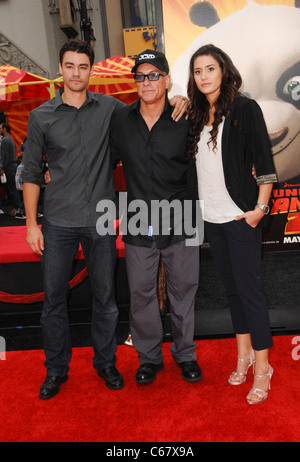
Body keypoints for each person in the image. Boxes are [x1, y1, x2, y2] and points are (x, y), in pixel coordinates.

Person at [22, 39, 189, 400]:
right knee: (53, 300)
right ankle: (56, 370)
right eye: (70, 66)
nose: (76, 73)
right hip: (57, 222)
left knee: (106, 298)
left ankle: (105, 363)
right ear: (61, 70)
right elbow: (32, 173)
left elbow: (151, 103)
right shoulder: (40, 117)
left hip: (100, 219)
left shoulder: (112, 109)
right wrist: (32, 224)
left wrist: (178, 99)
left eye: (83, 66)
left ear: (91, 71)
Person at [187, 44, 277, 404]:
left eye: (210, 69)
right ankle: (241, 357)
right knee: (232, 292)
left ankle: (262, 368)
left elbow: (265, 163)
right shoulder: (195, 114)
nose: (204, 76)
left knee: (251, 292)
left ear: (223, 71)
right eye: (197, 71)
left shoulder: (245, 108)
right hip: (212, 219)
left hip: (242, 218)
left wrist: (260, 208)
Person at [109, 50, 202, 384]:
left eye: (153, 75)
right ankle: (149, 358)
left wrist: (189, 102)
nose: (145, 82)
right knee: (141, 293)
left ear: (166, 79)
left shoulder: (187, 116)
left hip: (183, 218)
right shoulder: (120, 120)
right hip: (138, 220)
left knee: (184, 292)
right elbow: (105, 161)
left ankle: (185, 354)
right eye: (139, 76)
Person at [0, 123, 21, 215]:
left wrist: (2, 168)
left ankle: (18, 208)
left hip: (9, 166)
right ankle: (18, 207)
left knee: (12, 188)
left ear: (4, 129)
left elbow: (5, 156)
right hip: (12, 165)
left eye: (0, 128)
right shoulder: (10, 139)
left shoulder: (5, 140)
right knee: (12, 188)